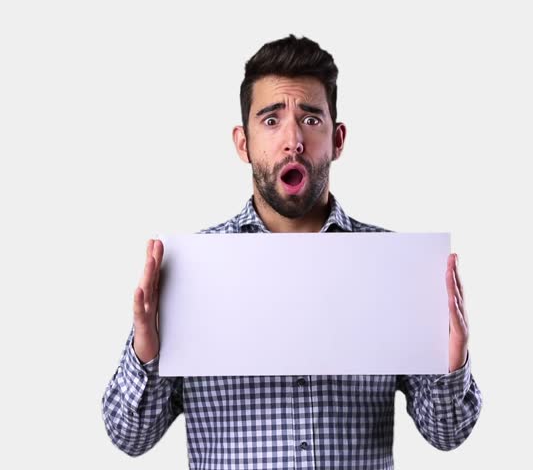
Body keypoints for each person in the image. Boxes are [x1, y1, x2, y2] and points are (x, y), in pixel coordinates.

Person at [101, 35, 482, 469]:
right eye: (270, 120)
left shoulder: (393, 267)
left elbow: (447, 433)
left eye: (311, 120)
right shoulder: (189, 269)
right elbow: (129, 438)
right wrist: (146, 352)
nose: (293, 140)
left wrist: (452, 361)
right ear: (242, 143)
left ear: (337, 139)